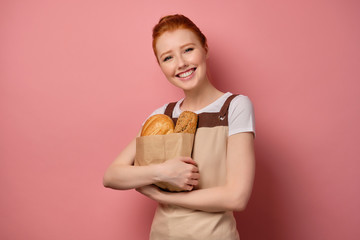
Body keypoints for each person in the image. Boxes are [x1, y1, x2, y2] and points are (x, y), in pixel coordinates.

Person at [103, 14, 256, 240]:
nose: (181, 63)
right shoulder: (162, 116)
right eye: (168, 58)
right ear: (161, 66)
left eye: (188, 50)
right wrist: (163, 172)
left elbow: (236, 197)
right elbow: (112, 175)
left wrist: (162, 195)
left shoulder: (233, 107)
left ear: (205, 48)